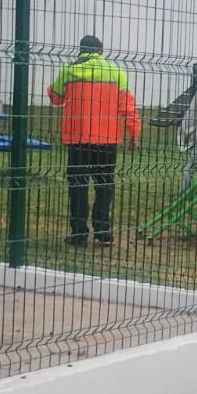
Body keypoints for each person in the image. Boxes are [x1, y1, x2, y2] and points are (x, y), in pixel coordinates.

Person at [47, 35, 140, 247]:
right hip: (108, 139)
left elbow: (55, 98)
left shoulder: (69, 71)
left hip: (78, 138)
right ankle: (103, 231)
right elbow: (127, 107)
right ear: (101, 50)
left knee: (78, 185)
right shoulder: (117, 73)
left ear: (80, 49)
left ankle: (79, 234)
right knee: (104, 183)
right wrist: (134, 133)